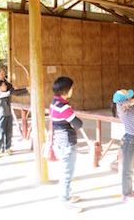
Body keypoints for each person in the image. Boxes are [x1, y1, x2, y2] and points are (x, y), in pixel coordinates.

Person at [49, 76, 83, 213]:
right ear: (66, 90)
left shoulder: (54, 102)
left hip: (59, 140)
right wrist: (74, 115)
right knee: (67, 173)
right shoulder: (64, 107)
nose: (72, 90)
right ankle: (64, 200)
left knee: (66, 171)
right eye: (71, 88)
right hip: (67, 141)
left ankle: (67, 195)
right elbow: (78, 124)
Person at [0, 80, 27, 157]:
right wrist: (13, 89)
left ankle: (7, 148)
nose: (5, 86)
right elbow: (8, 93)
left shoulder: (5, 93)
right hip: (1, 115)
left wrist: (25, 90)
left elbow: (12, 92)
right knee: (0, 133)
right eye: (4, 85)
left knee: (9, 132)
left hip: (8, 115)